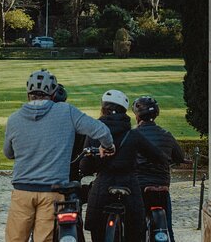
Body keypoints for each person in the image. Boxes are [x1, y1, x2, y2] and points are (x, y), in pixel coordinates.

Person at [3, 69, 115, 242]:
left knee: (15, 239)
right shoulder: (66, 111)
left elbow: (8, 153)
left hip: (22, 191)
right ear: (53, 93)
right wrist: (108, 146)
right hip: (53, 190)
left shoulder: (14, 119)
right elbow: (101, 130)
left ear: (28, 94)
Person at [80, 90, 166, 242]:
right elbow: (158, 157)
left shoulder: (95, 133)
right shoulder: (133, 135)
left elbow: (85, 167)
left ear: (103, 109)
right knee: (136, 228)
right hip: (129, 185)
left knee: (97, 227)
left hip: (103, 185)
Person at [133, 96, 186, 242]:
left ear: (137, 115)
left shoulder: (133, 135)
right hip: (162, 186)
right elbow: (179, 156)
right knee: (168, 227)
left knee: (136, 226)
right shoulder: (166, 135)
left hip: (140, 185)